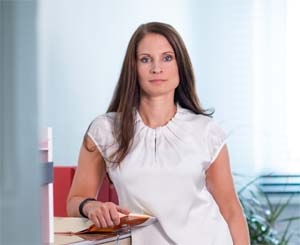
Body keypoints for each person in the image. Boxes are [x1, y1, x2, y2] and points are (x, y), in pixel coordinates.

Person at [67, 22, 250, 245]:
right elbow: (74, 201)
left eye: (167, 58)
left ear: (180, 66)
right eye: (145, 59)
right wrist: (91, 206)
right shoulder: (104, 131)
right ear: (133, 67)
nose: (157, 68)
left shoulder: (206, 131)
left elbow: (231, 211)